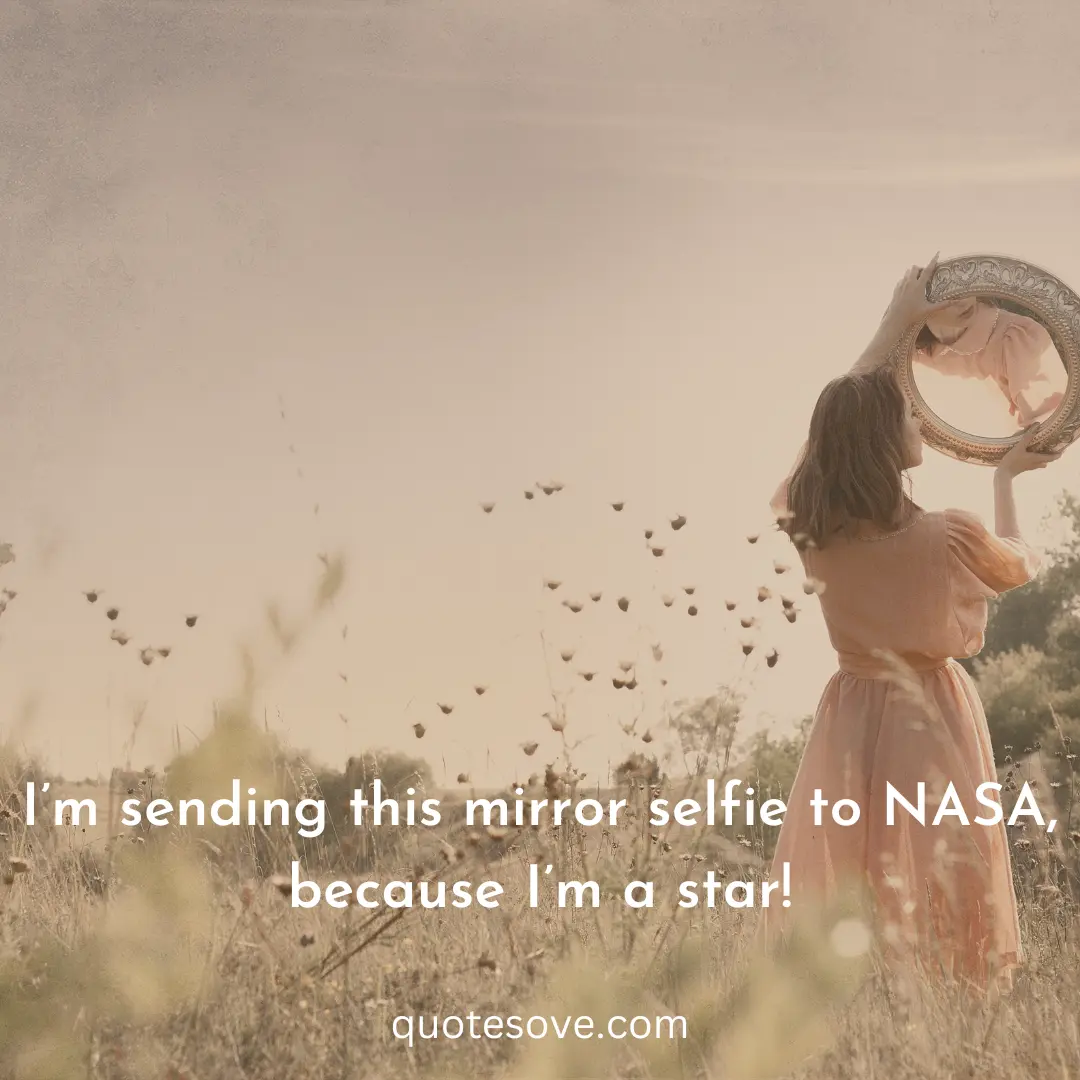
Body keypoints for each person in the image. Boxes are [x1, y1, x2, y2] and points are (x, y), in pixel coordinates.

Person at [758, 257, 1063, 993]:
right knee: (935, 872)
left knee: (852, 868)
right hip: (932, 718)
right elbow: (1019, 565)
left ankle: (863, 1020)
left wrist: (891, 330)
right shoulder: (946, 535)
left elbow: (827, 438)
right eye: (901, 409)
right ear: (878, 440)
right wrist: (1004, 480)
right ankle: (941, 1015)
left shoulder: (817, 527)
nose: (915, 412)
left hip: (851, 717)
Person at [913, 295, 1065, 428]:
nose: (963, 300)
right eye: (946, 293)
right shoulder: (910, 353)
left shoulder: (1018, 335)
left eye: (965, 281)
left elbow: (1049, 423)